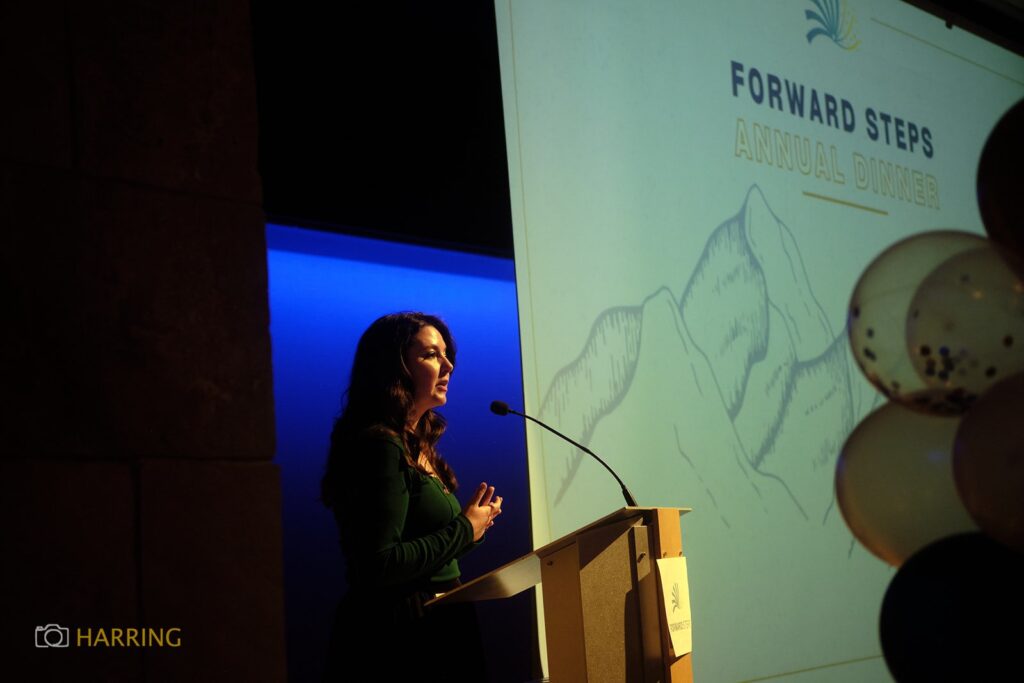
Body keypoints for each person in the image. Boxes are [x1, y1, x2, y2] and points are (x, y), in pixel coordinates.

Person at [320, 312, 503, 681]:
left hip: (441, 617)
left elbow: (427, 553)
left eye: (446, 355)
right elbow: (379, 564)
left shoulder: (415, 445)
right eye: (431, 355)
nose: (448, 366)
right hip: (402, 633)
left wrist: (474, 527)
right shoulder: (380, 446)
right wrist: (464, 529)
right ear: (395, 367)